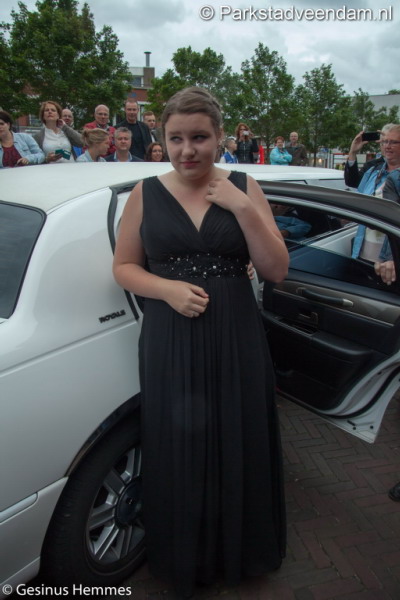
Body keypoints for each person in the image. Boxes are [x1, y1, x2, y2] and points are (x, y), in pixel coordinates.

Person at [113, 86, 288, 599]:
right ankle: (186, 559)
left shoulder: (245, 186)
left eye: (199, 138)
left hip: (236, 334)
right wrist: (166, 289)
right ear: (162, 138)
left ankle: (242, 553)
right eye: (176, 138)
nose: (187, 150)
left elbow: (276, 269)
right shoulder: (145, 192)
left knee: (239, 434)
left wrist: (243, 208)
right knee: (178, 443)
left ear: (219, 137)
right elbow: (123, 267)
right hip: (170, 337)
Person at [349, 125, 400, 284]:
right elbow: (354, 191)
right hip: (363, 252)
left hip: (391, 260)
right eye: (384, 142)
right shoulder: (373, 171)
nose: (387, 146)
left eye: (393, 142)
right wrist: (353, 152)